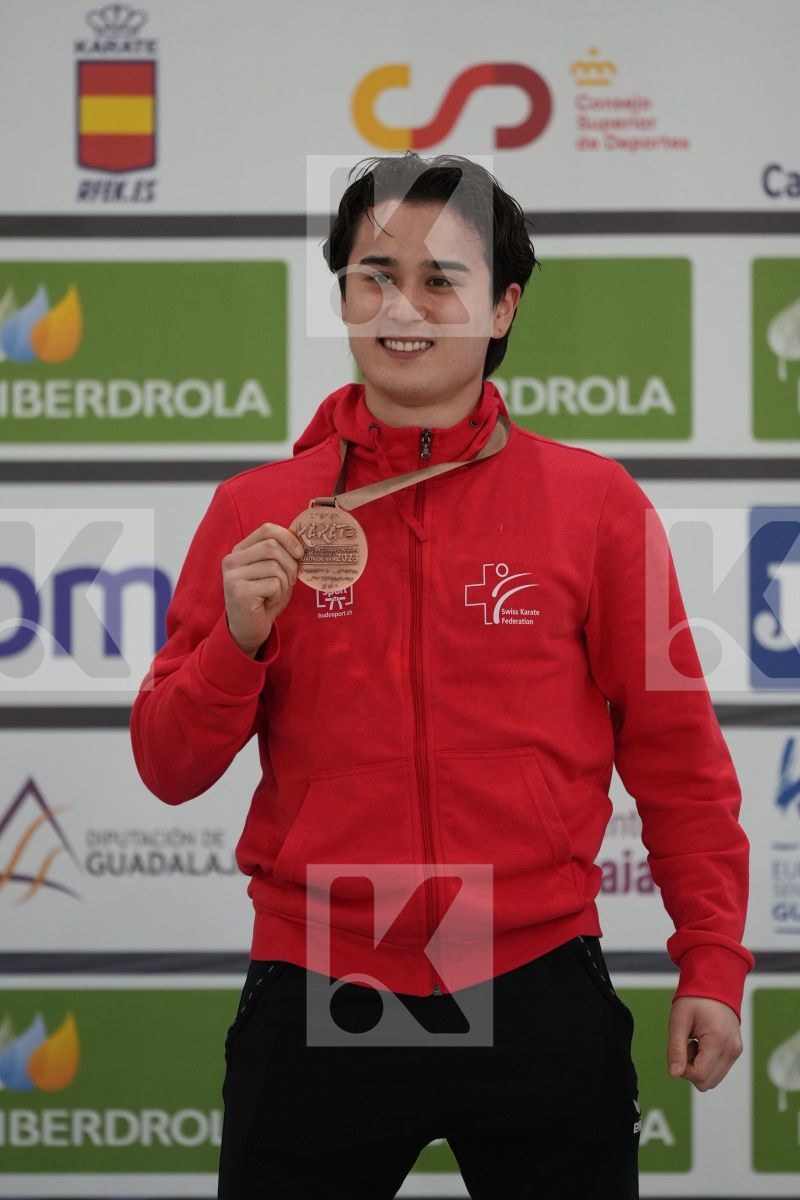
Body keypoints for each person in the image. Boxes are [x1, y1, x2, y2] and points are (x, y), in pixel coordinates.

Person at [130, 153, 752, 1200]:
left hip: (534, 976)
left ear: (502, 305)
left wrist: (713, 959)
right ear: (341, 296)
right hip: (322, 973)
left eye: (440, 280)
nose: (402, 306)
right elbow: (167, 765)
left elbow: (675, 753)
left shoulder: (596, 505)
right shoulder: (257, 512)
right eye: (373, 276)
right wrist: (236, 642)